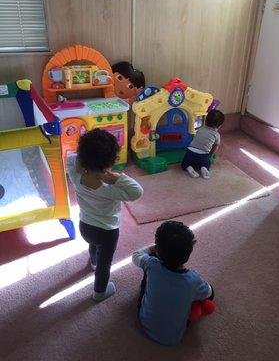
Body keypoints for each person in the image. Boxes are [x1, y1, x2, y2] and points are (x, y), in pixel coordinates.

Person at [67, 128, 143, 302]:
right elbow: (137, 192)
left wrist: (82, 162)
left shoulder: (75, 176)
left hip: (85, 226)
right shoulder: (111, 189)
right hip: (107, 232)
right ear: (112, 162)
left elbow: (71, 159)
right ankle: (99, 292)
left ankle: (93, 261)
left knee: (94, 246)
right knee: (105, 264)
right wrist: (114, 177)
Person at [132, 221, 215, 346]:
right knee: (204, 294)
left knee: (148, 267)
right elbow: (209, 293)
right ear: (189, 252)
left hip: (144, 322)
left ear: (159, 250)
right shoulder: (193, 280)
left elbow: (136, 255)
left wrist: (155, 248)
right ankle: (192, 310)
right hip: (173, 337)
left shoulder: (152, 264)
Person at [181, 109, 225, 179]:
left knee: (185, 163)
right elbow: (216, 147)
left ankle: (189, 168)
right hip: (203, 155)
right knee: (206, 163)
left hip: (190, 153)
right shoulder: (217, 135)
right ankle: (204, 168)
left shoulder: (200, 129)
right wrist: (210, 155)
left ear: (206, 121)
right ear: (220, 126)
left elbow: (196, 140)